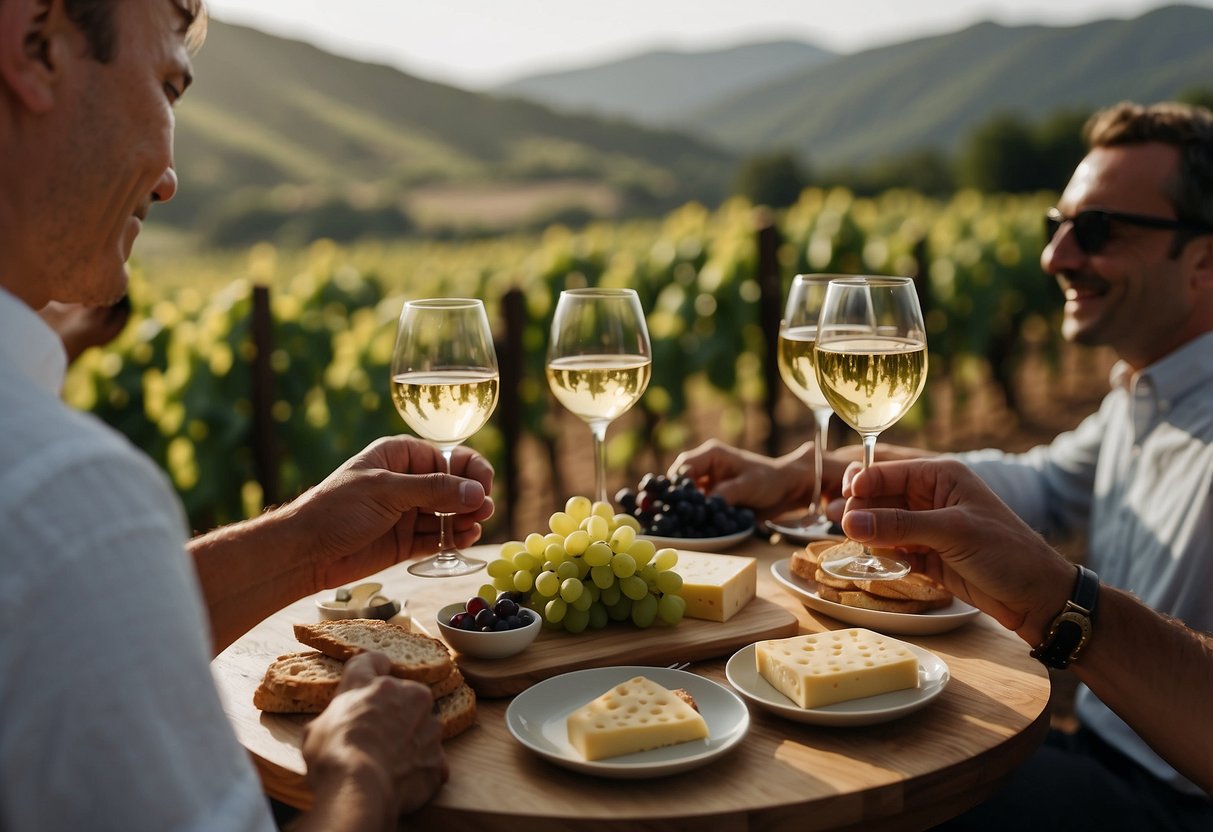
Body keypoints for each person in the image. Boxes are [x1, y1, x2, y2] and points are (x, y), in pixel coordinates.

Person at [0, 2, 494, 830]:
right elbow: (59, 563)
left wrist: (300, 545)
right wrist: (363, 779)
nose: (167, 177)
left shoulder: (53, 520)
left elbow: (52, 633)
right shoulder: (57, 491)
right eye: (165, 85)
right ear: (32, 43)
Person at [673, 100, 1213, 827]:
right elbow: (1041, 483)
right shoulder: (1145, 391)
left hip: (1172, 800)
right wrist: (808, 470)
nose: (1054, 257)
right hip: (1097, 751)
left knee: (828, 794)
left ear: (1204, 258)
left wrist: (1060, 600)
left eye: (1095, 230)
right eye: (1055, 228)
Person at [836, 458, 1213, 810]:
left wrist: (1053, 596)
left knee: (873, 793)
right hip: (1094, 743)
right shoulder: (1136, 396)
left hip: (1179, 799)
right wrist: (845, 468)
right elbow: (1048, 479)